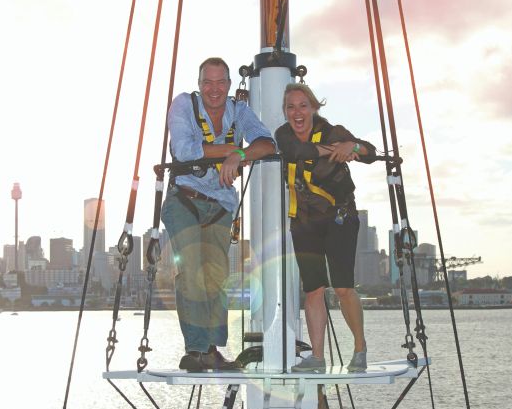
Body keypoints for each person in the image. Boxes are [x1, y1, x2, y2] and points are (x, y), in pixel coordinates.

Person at [162, 57, 276, 371]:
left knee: (215, 277)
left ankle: (210, 349)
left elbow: (267, 143)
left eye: (220, 82)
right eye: (208, 82)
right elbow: (185, 150)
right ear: (199, 85)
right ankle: (195, 349)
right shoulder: (183, 105)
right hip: (184, 200)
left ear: (228, 85)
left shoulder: (239, 111)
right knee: (192, 271)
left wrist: (239, 154)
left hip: (221, 206)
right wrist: (231, 152)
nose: (214, 89)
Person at [275, 82, 377, 373]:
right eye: (290, 107)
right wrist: (332, 151)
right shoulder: (283, 135)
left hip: (339, 217)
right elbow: (297, 151)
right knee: (314, 290)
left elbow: (369, 153)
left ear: (314, 108)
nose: (297, 113)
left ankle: (360, 348)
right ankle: (317, 358)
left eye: (303, 106)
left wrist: (351, 146)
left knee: (343, 287)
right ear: (285, 112)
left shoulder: (334, 131)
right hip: (304, 221)